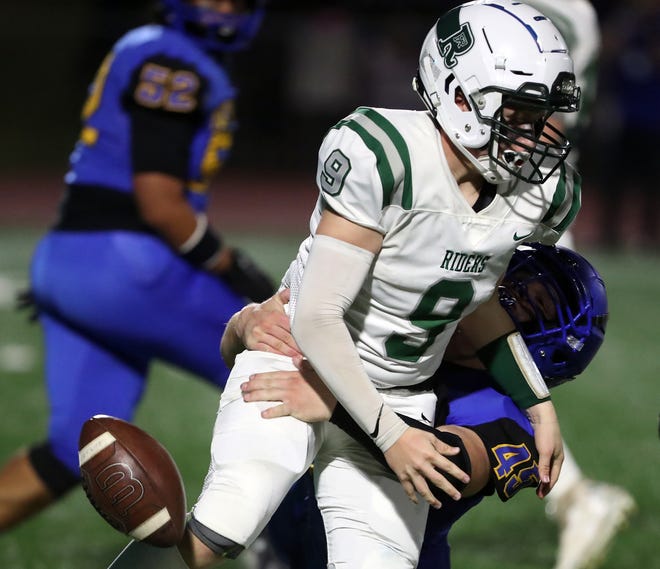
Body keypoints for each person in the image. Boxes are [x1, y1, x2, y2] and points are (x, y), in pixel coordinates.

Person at [107, 1, 582, 567]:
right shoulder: (386, 156)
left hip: (401, 399)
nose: (536, 136)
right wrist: (388, 435)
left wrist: (540, 406)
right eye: (521, 114)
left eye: (544, 116)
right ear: (460, 96)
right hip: (299, 366)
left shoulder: (536, 196)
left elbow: (473, 300)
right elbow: (315, 317)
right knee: (223, 527)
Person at [0, 0, 274, 534]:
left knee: (69, 450)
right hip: (127, 267)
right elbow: (158, 200)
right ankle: (289, 546)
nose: (222, 8)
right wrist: (227, 262)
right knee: (286, 373)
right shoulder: (174, 62)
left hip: (69, 260)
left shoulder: (145, 44)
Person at [232, 242, 610, 569]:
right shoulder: (399, 327)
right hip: (288, 530)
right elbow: (241, 366)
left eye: (535, 300)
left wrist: (336, 405)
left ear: (545, 346)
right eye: (509, 278)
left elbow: (444, 466)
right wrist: (245, 325)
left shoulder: (510, 417)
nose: (507, 292)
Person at [517, 3, 637, 568]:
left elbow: (541, 113)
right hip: (515, 197)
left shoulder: (549, 8)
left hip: (515, 203)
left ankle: (576, 497)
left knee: (469, 360)